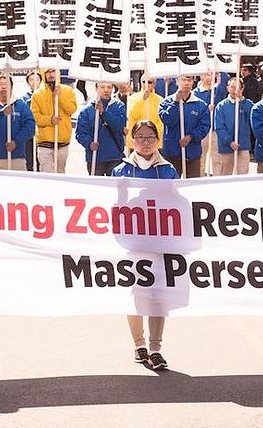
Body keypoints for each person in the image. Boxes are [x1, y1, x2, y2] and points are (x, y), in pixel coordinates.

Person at [109, 120, 178, 371]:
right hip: (133, 243)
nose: (145, 142)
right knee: (136, 294)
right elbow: (116, 207)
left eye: (150, 137)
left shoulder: (168, 170)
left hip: (160, 242)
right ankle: (139, 345)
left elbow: (177, 205)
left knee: (159, 296)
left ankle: (156, 348)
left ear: (158, 140)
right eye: (140, 137)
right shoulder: (121, 171)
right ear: (132, 140)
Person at [0, 74, 35, 171]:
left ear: (12, 87)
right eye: (0, 84)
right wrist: (1, 113)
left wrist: (16, 141)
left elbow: (30, 126)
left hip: (17, 158)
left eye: (6, 84)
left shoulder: (21, 105)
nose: (4, 87)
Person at [157, 75, 210, 178]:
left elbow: (204, 126)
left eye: (189, 80)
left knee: (192, 186)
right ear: (177, 81)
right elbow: (168, 121)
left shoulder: (201, 105)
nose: (186, 83)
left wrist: (191, 136)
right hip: (172, 152)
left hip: (192, 153)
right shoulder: (166, 102)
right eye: (183, 80)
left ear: (193, 82)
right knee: (170, 186)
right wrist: (175, 102)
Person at [75, 81, 128, 176]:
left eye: (109, 87)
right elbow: (80, 133)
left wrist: (104, 113)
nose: (106, 90)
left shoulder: (119, 106)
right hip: (95, 156)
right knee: (96, 188)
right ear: (96, 88)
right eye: (102, 87)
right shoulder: (86, 110)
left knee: (113, 187)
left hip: (114, 156)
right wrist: (89, 143)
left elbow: (119, 125)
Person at [30, 68, 77, 174]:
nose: (51, 75)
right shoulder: (37, 94)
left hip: (62, 140)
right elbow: (35, 117)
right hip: (44, 142)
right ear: (44, 74)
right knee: (46, 173)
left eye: (53, 72)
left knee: (60, 173)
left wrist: (59, 96)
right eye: (48, 72)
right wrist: (50, 120)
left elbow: (72, 109)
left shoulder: (68, 90)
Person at [214, 77, 254, 175]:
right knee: (225, 174)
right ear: (227, 88)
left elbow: (252, 117)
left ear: (242, 89)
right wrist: (229, 142)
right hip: (226, 147)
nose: (234, 90)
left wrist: (241, 101)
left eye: (238, 87)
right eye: (232, 87)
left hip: (243, 145)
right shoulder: (221, 106)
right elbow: (219, 127)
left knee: (243, 174)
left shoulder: (248, 104)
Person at [193, 72, 226, 176]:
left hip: (215, 130)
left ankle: (217, 181)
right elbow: (193, 110)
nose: (209, 76)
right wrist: (206, 109)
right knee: (200, 159)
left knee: (217, 159)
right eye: (207, 74)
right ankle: (200, 180)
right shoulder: (195, 93)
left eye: (211, 74)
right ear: (201, 76)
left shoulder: (218, 90)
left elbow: (225, 79)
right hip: (201, 131)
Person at [125, 76, 164, 153]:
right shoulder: (132, 98)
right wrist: (142, 100)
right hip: (136, 141)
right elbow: (131, 115)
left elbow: (161, 122)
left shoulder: (160, 100)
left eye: (149, 82)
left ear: (154, 84)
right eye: (144, 82)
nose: (146, 84)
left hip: (154, 142)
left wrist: (153, 137)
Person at [21, 71, 42, 171]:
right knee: (29, 158)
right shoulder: (24, 98)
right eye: (31, 80)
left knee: (41, 160)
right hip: (29, 133)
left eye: (37, 79)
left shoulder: (44, 96)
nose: (34, 82)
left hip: (42, 132)